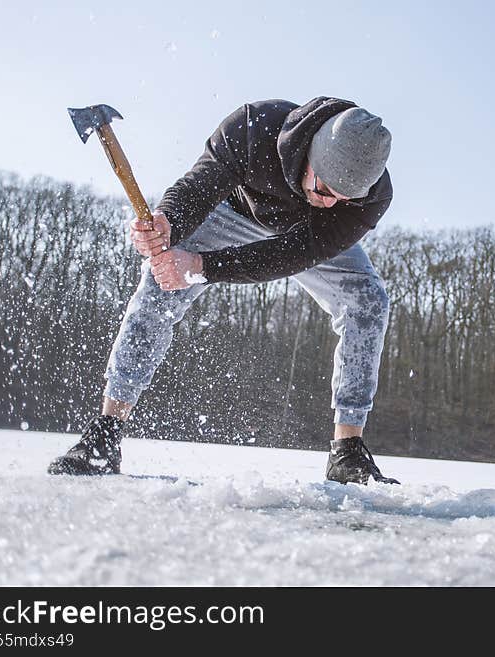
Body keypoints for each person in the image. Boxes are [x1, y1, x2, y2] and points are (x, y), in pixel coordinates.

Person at [48, 96, 398, 485]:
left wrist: (203, 268)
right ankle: (106, 432)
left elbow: (293, 254)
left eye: (342, 200)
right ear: (311, 152)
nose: (330, 202)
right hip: (231, 213)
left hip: (301, 238)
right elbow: (198, 188)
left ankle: (347, 452)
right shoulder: (254, 127)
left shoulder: (371, 198)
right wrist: (169, 226)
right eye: (324, 188)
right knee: (160, 282)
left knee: (367, 300)